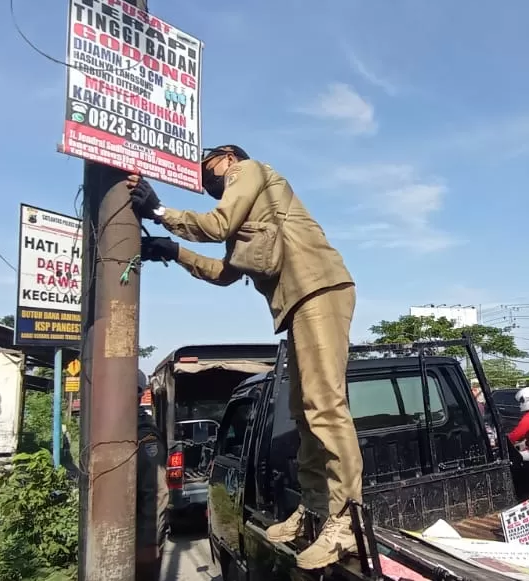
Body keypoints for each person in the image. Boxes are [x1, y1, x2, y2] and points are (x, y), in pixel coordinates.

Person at [127, 145, 361, 570]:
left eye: (206, 167)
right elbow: (223, 273)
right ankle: (314, 509)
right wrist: (174, 251)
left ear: (229, 157)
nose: (204, 178)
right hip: (297, 303)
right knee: (305, 410)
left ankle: (345, 522)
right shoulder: (245, 213)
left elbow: (216, 225)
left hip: (319, 289)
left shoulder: (249, 171)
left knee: (325, 406)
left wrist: (160, 211)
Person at [136, 370, 166, 580]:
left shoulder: (146, 436)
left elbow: (157, 492)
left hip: (141, 541)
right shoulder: (121, 428)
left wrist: (149, 539)